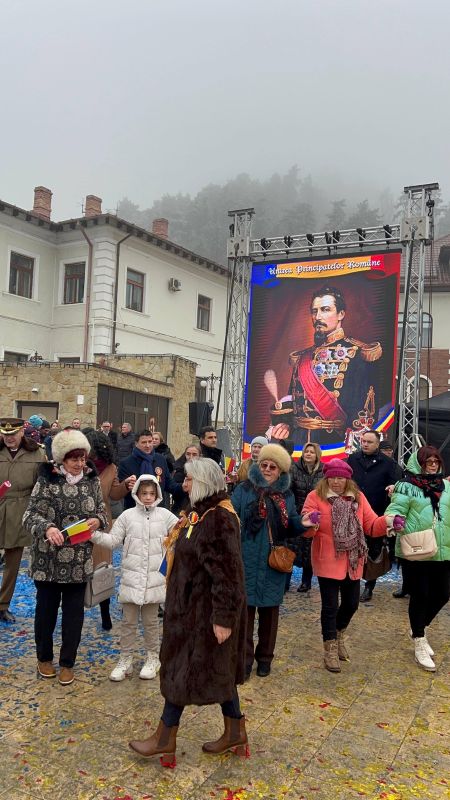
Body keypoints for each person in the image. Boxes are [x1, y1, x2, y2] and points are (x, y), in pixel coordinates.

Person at [129, 458, 248, 765]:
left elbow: (228, 574)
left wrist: (223, 620)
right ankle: (235, 732)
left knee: (184, 672)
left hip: (204, 616)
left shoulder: (218, 518)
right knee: (218, 673)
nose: (184, 483)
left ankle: (164, 738)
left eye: (190, 479)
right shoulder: (200, 514)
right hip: (189, 612)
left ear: (205, 482)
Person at [23, 429, 107, 685]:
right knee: (45, 612)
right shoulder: (47, 479)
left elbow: (102, 511)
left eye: (83, 458)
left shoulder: (92, 480)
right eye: (74, 459)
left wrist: (97, 520)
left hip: (78, 561)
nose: (80, 464)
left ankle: (68, 662)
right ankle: (44, 658)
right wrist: (47, 527)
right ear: (61, 460)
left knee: (73, 615)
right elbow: (30, 515)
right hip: (47, 560)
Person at [231, 444, 314, 679]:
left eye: (273, 466)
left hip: (272, 562)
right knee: (245, 616)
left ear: (280, 471)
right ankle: (244, 661)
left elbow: (291, 524)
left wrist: (303, 524)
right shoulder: (244, 489)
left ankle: (265, 658)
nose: (267, 469)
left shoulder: (285, 495)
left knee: (270, 615)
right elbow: (232, 517)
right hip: (245, 559)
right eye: (264, 465)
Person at [302, 459, 389, 673]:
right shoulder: (315, 497)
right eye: (333, 477)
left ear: (348, 479)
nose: (337, 481)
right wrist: (309, 522)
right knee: (330, 606)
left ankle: (339, 633)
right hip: (327, 559)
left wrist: (388, 522)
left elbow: (371, 525)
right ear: (326, 478)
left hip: (353, 559)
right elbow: (306, 527)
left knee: (351, 604)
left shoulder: (358, 498)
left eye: (341, 477)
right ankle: (329, 647)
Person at [268, 285, 383, 445]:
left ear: (341, 314)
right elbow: (294, 399)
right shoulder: (302, 357)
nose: (318, 316)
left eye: (325, 309)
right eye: (314, 311)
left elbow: (363, 408)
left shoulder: (357, 353)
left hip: (333, 440)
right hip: (299, 439)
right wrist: (285, 422)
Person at [92, 475, 178, 681]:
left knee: (151, 623)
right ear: (137, 494)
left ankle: (152, 657)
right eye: (144, 493)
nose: (148, 497)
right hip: (131, 579)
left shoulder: (165, 516)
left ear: (157, 494)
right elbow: (113, 540)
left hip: (154, 581)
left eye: (151, 493)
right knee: (128, 623)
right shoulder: (127, 516)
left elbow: (180, 535)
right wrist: (92, 535)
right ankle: (125, 659)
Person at [385, 446, 450, 672]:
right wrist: (394, 522)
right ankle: (420, 641)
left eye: (435, 461)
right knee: (420, 594)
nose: (432, 464)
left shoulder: (447, 486)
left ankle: (418, 627)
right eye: (428, 461)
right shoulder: (406, 486)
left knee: (443, 593)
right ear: (418, 463)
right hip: (416, 549)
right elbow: (394, 510)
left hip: (443, 549)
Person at [82, 429, 130, 630]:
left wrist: (126, 485)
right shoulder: (78, 465)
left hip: (102, 523)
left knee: (102, 569)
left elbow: (115, 494)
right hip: (79, 521)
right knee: (79, 568)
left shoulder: (110, 468)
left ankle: (104, 612)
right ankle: (76, 609)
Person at [348, 429, 402, 602]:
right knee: (352, 548)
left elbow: (396, 484)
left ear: (378, 444)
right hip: (353, 511)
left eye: (369, 442)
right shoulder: (353, 459)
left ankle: (369, 586)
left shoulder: (388, 463)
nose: (365, 444)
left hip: (376, 513)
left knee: (373, 550)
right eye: (363, 441)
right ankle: (351, 582)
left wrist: (392, 488)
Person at [0, 418, 45, 623]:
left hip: (21, 509)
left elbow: (42, 484)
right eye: (5, 434)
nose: (9, 438)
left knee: (13, 561)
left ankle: (3, 604)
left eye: (12, 434)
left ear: (21, 433)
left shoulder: (36, 453)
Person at [118, 429, 182, 511]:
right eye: (144, 442)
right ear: (136, 443)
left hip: (158, 509)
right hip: (135, 510)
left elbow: (169, 484)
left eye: (150, 441)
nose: (148, 445)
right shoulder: (126, 463)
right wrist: (126, 485)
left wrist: (182, 487)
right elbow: (120, 491)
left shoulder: (160, 459)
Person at [291, 442, 324, 592]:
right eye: (306, 451)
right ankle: (286, 579)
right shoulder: (294, 469)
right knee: (293, 547)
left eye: (312, 452)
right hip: (297, 513)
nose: (308, 454)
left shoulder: (323, 472)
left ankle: (306, 581)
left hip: (315, 516)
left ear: (317, 454)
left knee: (309, 549)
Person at [171, 444, 200, 514]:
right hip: (181, 508)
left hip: (199, 507)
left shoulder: (204, 470)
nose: (191, 457)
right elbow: (174, 489)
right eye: (188, 454)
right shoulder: (179, 469)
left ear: (199, 456)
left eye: (194, 454)